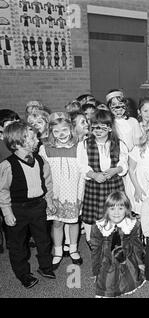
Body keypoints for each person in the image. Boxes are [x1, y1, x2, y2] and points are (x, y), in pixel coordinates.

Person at [0, 121, 55, 288]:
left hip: (38, 206)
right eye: (33, 138)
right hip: (18, 210)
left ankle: (45, 266)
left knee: (44, 239)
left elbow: (47, 183)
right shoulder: (7, 166)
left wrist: (49, 201)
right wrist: (7, 213)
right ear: (17, 143)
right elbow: (2, 191)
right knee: (18, 244)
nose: (38, 140)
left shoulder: (40, 160)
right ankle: (23, 274)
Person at [77, 109, 128, 249]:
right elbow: (82, 166)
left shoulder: (119, 144)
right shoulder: (84, 144)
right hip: (94, 185)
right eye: (94, 126)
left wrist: (115, 170)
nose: (98, 130)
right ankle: (90, 239)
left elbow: (123, 163)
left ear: (110, 128)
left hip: (113, 184)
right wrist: (94, 175)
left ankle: (113, 238)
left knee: (114, 211)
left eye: (102, 126)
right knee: (91, 214)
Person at [39, 112, 83, 269]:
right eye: (56, 131)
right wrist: (48, 197)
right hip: (55, 192)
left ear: (71, 129)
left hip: (73, 192)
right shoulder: (45, 149)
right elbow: (43, 175)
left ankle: (73, 249)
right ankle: (58, 250)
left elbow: (83, 173)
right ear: (51, 132)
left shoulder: (79, 147)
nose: (61, 134)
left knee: (73, 222)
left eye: (64, 130)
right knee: (57, 222)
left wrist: (80, 194)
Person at [90, 191, 145, 297]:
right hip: (107, 261)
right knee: (106, 284)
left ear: (127, 209)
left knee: (130, 280)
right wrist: (95, 270)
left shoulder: (132, 225)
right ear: (106, 210)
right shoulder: (99, 227)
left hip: (127, 260)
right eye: (112, 208)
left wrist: (140, 263)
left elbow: (137, 245)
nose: (116, 213)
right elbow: (95, 250)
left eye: (120, 208)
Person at [0, 109, 20, 253]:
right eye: (10, 122)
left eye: (16, 122)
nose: (14, 125)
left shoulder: (16, 140)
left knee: (12, 213)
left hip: (12, 183)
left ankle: (13, 239)